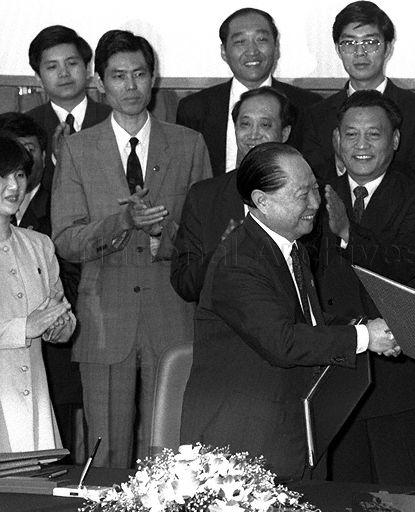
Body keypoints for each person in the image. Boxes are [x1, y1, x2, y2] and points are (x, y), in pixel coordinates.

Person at [180, 142, 397, 481]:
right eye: (301, 195)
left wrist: (366, 327)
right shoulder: (239, 260)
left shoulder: (289, 247)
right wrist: (365, 337)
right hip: (246, 444)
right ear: (261, 201)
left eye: (314, 190)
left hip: (295, 431)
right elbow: (282, 341)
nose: (315, 204)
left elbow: (307, 323)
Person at [51, 30, 212, 468]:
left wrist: (165, 238)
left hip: (171, 314)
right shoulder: (78, 149)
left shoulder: (188, 144)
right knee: (105, 454)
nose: (130, 86)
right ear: (99, 82)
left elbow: (204, 240)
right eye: (118, 76)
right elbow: (66, 239)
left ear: (153, 77)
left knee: (169, 452)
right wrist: (122, 223)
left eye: (139, 74)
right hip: (105, 317)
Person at [316, 90, 415, 486]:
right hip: (336, 379)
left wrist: (348, 232)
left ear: (395, 141)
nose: (361, 145)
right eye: (351, 135)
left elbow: (408, 266)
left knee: (404, 495)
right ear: (337, 140)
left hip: (400, 381)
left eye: (374, 134)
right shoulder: (312, 194)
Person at [0, 112, 84, 460]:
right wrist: (26, 327)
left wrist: (62, 327)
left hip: (34, 397)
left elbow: (57, 312)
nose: (14, 186)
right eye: (2, 176)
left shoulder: (38, 244)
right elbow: (30, 324)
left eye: (19, 174)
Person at [171, 87, 295, 302]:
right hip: (224, 331)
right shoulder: (204, 197)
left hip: (290, 328)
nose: (253, 134)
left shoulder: (304, 193)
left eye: (265, 125)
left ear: (284, 133)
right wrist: (221, 252)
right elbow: (184, 284)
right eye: (245, 124)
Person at [301, 1, 415, 187]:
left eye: (370, 42)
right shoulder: (316, 115)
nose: (360, 52)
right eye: (349, 43)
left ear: (388, 48)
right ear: (338, 50)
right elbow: (311, 181)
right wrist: (340, 163)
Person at [176, 8, 321, 176]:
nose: (252, 51)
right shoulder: (194, 109)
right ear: (224, 51)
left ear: (276, 48)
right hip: (216, 200)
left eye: (261, 39)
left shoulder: (308, 106)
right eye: (240, 42)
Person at [26, 25, 111, 192]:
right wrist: (57, 161)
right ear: (38, 77)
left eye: (71, 63)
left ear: (87, 69)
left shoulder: (112, 118)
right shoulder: (26, 126)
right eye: (52, 67)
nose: (64, 73)